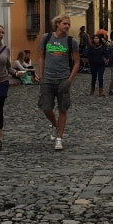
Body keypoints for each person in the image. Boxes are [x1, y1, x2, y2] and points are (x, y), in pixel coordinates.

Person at [37, 14, 80, 151]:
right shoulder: (47, 38)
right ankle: (55, 124)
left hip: (63, 79)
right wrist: (41, 74)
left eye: (68, 24)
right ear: (57, 24)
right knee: (46, 107)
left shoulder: (71, 41)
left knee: (63, 108)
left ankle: (59, 138)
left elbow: (77, 62)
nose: (67, 26)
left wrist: (69, 79)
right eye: (64, 24)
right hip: (48, 79)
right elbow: (41, 56)